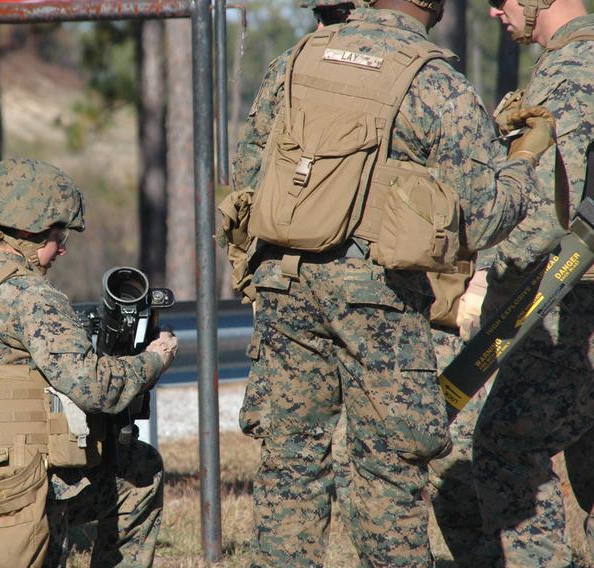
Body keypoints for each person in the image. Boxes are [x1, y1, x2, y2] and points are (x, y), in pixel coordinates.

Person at [226, 0, 555, 564]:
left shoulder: (295, 60)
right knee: (389, 464)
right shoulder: (434, 81)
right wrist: (523, 159)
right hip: (378, 298)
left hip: (286, 285)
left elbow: (248, 175)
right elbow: (484, 213)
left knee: (290, 460)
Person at [0, 158, 178, 568]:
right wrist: (153, 360)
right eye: (58, 236)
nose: (63, 248)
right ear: (28, 233)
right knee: (142, 471)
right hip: (32, 482)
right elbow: (97, 389)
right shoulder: (34, 297)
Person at [462, 0, 594, 564]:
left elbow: (546, 213)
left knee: (505, 448)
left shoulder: (569, 70)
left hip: (573, 295)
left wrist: (486, 272)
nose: (494, 11)